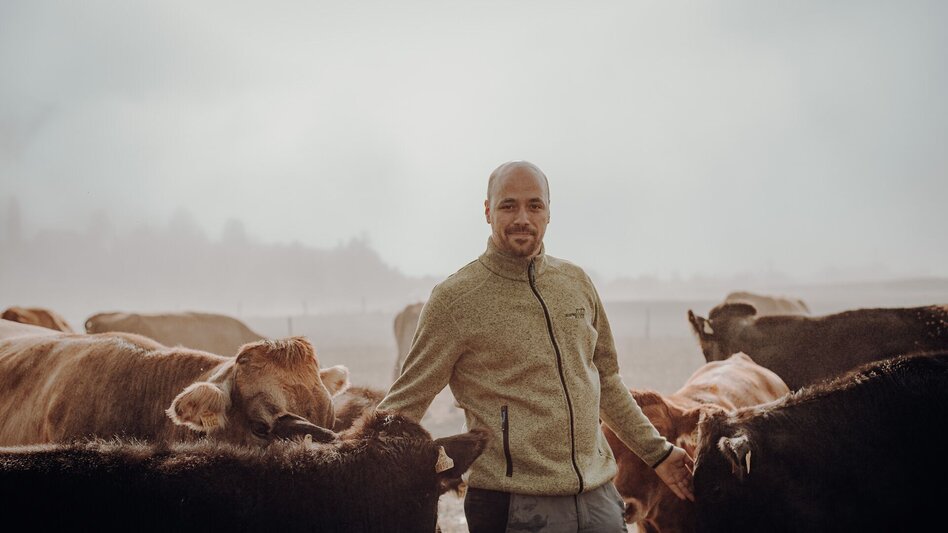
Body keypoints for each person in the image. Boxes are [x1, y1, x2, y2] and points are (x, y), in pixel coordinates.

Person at [378, 161, 693, 533]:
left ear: (548, 211)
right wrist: (351, 469)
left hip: (598, 500)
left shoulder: (576, 283)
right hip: (514, 506)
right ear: (487, 211)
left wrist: (658, 453)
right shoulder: (456, 300)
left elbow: (606, 381)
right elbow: (405, 401)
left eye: (534, 205)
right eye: (509, 205)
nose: (522, 218)